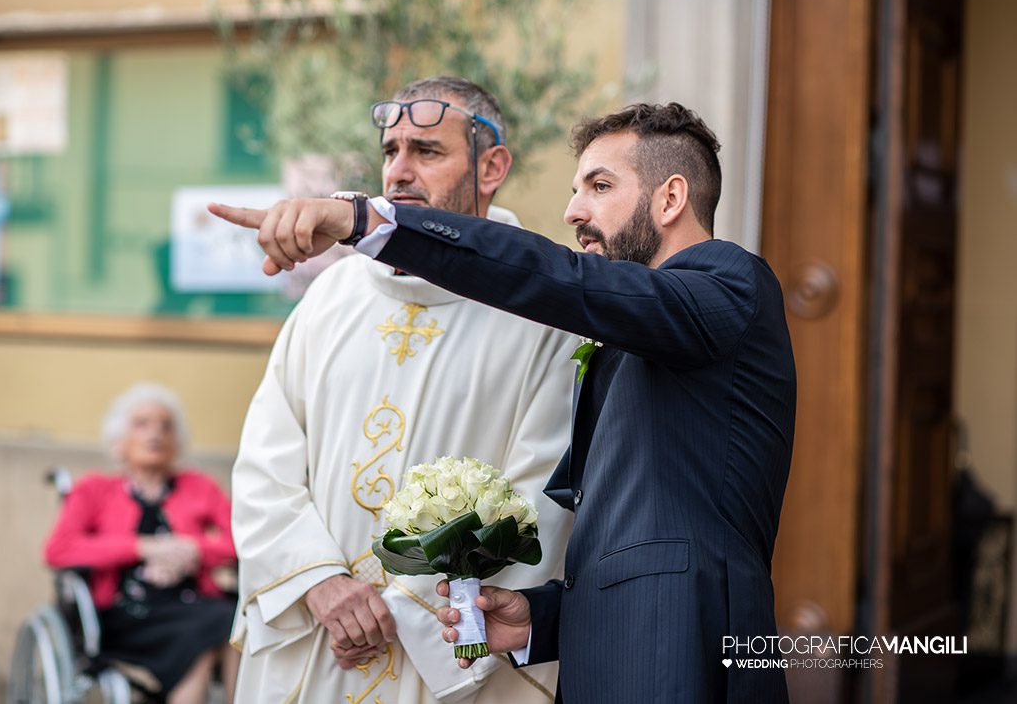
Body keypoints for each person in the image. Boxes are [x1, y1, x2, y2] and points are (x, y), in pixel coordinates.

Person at [210, 101, 798, 702]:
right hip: (615, 660)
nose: (574, 211)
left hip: (679, 660)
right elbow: (626, 541)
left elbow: (566, 280)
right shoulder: (633, 342)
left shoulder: (729, 284)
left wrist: (369, 221)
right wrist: (537, 620)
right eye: (576, 189)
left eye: (600, 186)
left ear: (670, 199)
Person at [226, 76, 576, 703]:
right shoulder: (330, 296)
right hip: (317, 637)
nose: (399, 172)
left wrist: (403, 610)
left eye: (427, 152)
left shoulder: (542, 313)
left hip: (439, 652)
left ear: (492, 167)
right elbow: (264, 464)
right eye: (391, 152)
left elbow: (541, 494)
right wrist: (320, 583)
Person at [44, 383, 239, 704]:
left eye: (166, 425)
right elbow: (58, 550)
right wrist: (143, 548)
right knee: (208, 631)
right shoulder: (94, 490)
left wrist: (193, 551)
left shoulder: (200, 487)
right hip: (125, 615)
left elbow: (241, 541)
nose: (156, 433)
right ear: (119, 442)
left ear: (177, 442)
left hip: (191, 603)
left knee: (236, 623)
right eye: (142, 424)